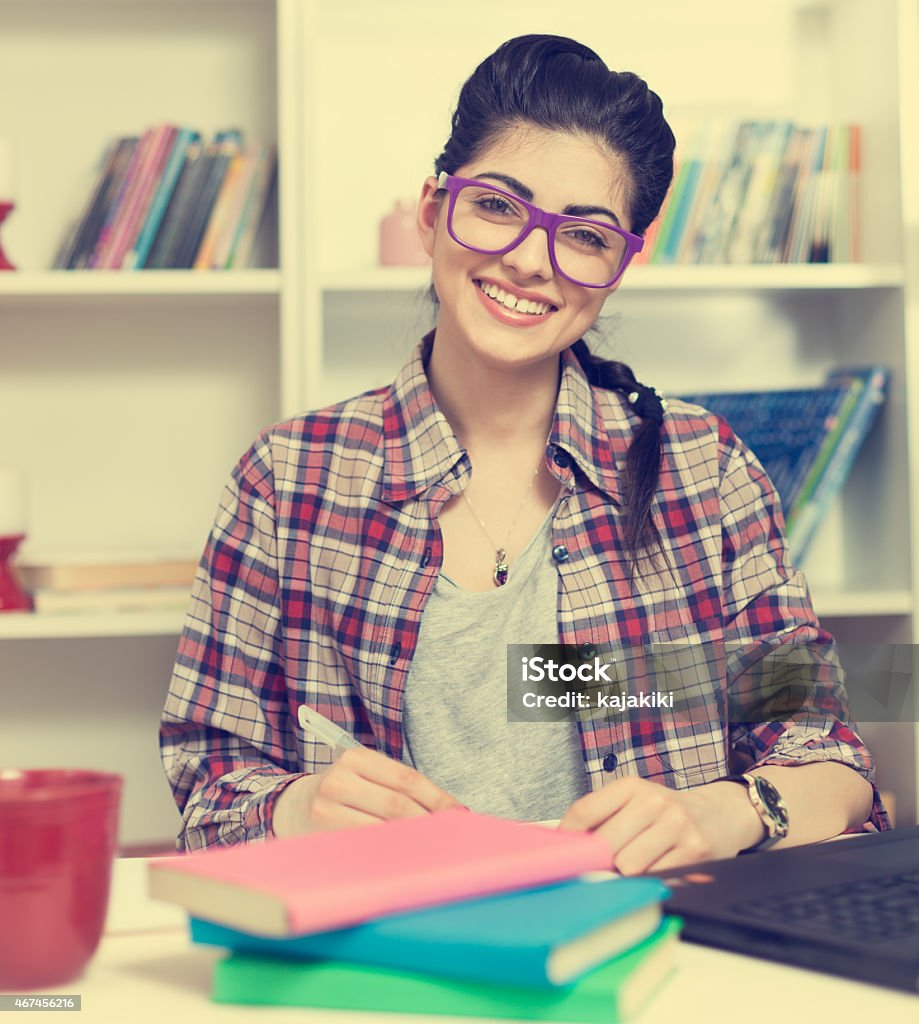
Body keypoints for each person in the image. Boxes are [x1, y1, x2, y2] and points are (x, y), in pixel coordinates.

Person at [160, 34, 887, 872]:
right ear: (433, 213)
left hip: (663, 950)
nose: (529, 261)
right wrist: (294, 805)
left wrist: (722, 813)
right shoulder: (287, 479)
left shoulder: (705, 469)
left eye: (583, 235)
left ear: (618, 266)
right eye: (497, 206)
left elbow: (830, 760)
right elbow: (206, 779)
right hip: (381, 962)